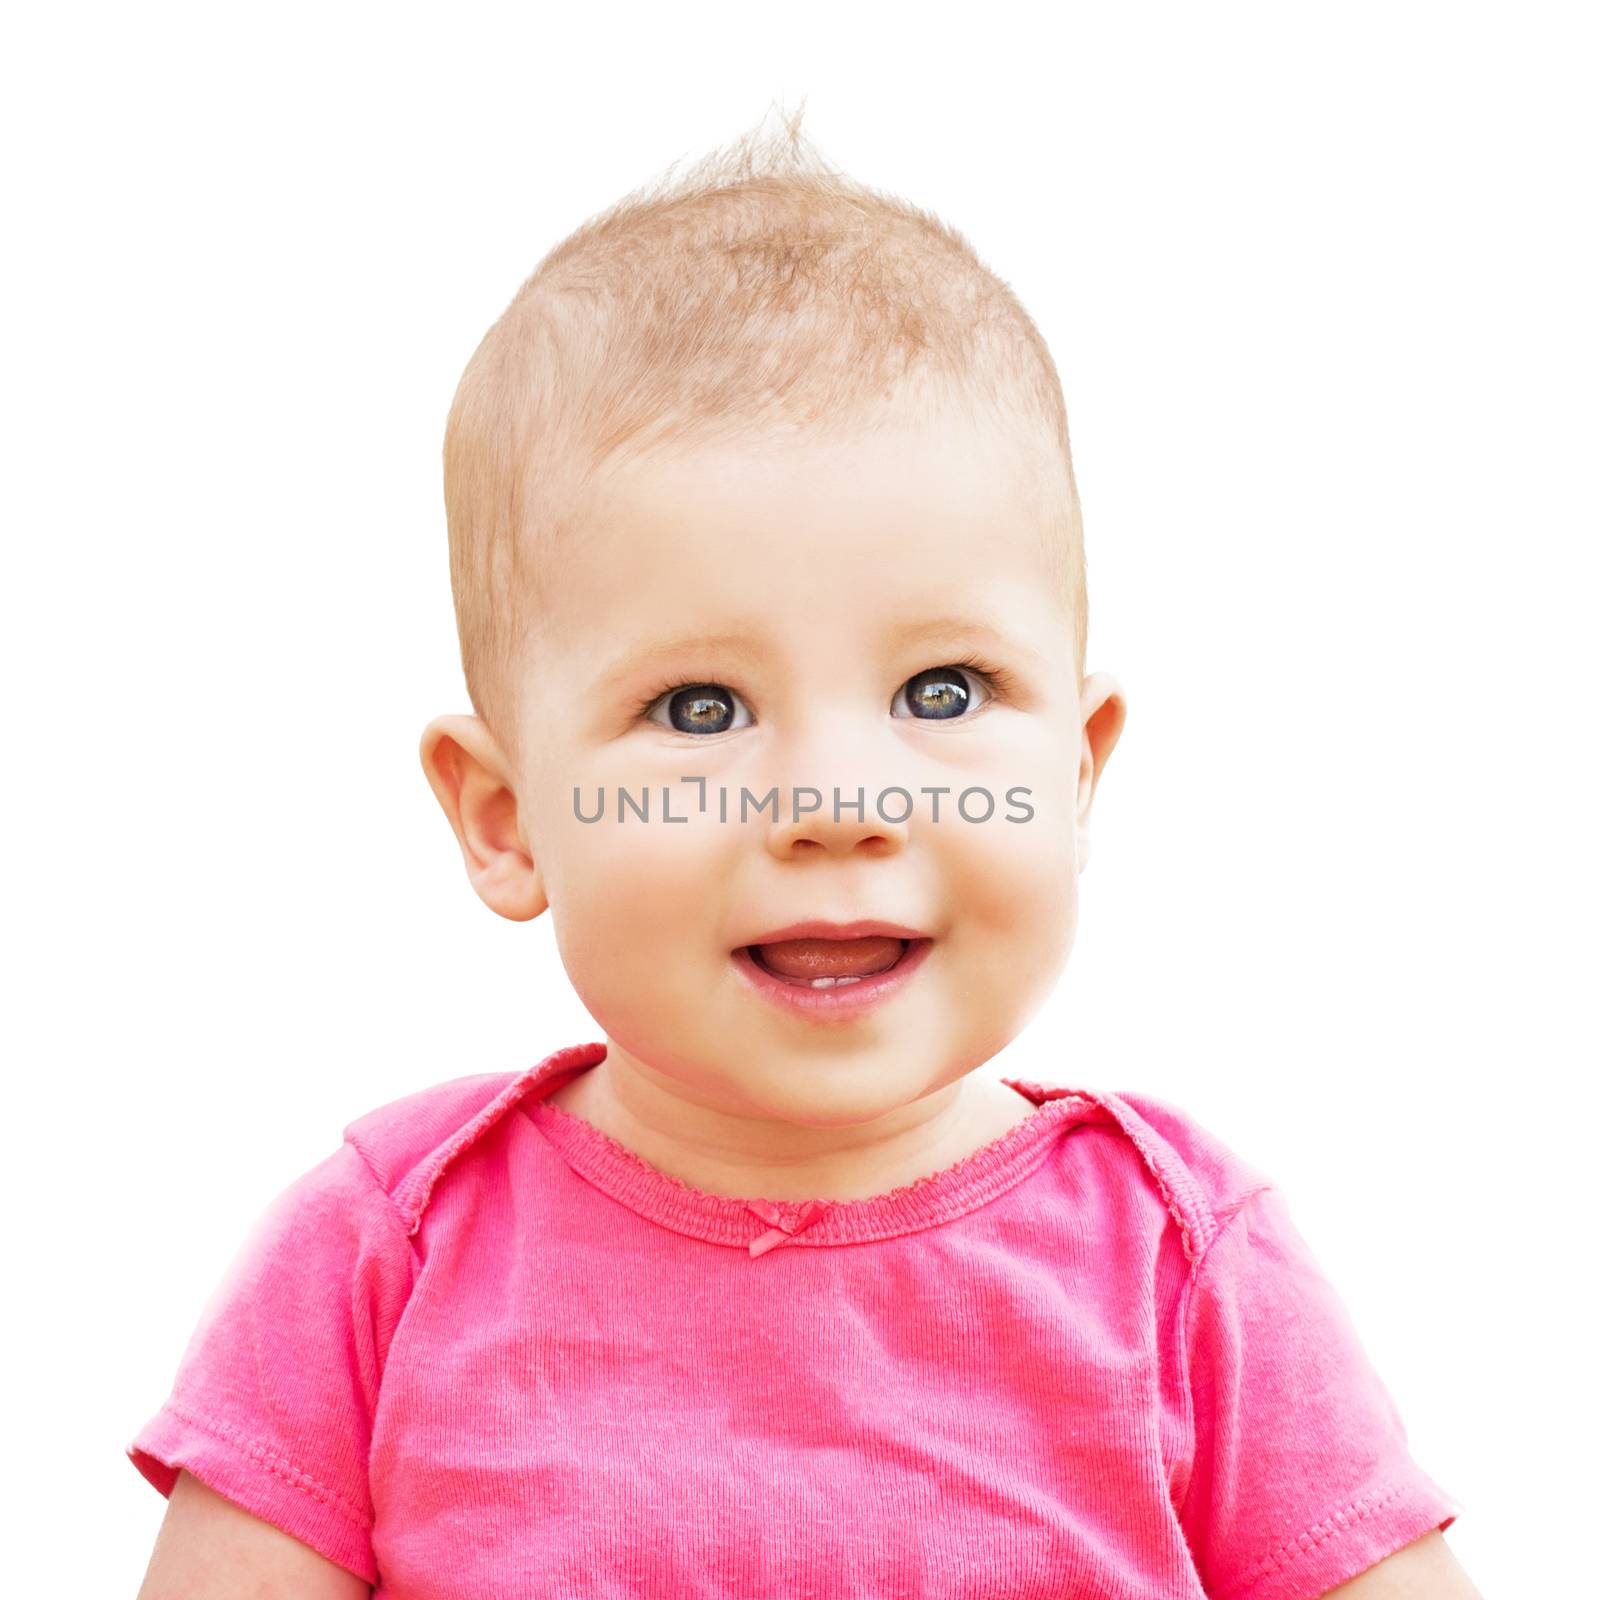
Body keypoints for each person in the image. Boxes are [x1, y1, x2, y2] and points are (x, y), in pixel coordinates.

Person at [127, 103, 1480, 1599]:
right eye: (700, 707)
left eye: (942, 694)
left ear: (1078, 774)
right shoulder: (384, 1254)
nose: (840, 802)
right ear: (506, 818)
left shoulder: (1185, 1269)